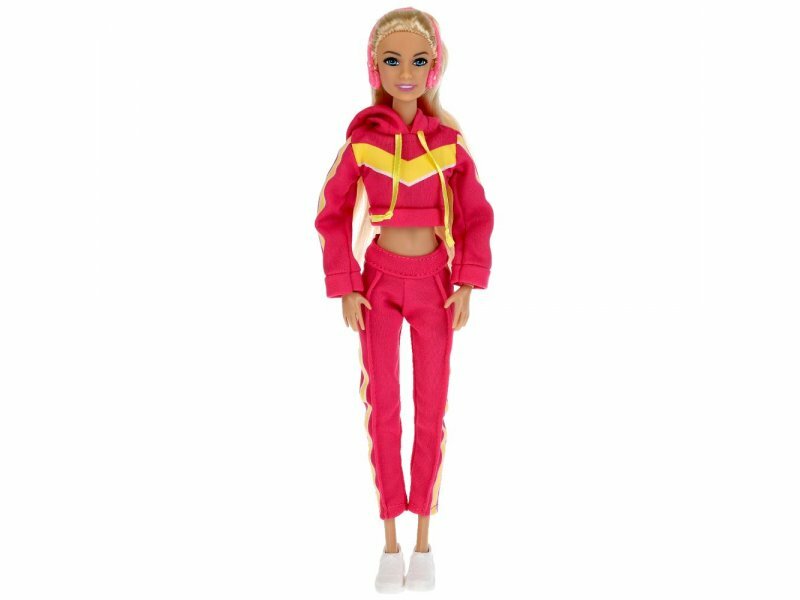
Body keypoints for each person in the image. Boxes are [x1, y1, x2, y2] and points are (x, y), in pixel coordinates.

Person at [314, 7, 494, 592]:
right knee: (383, 407)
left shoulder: (449, 143)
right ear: (375, 67)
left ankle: (424, 541)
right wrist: (346, 283)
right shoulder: (363, 141)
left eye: (418, 61)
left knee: (431, 408)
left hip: (435, 283)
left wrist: (466, 281)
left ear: (435, 66)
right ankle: (389, 540)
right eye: (392, 61)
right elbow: (333, 213)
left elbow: (474, 214)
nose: (406, 73)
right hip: (379, 284)